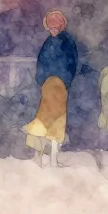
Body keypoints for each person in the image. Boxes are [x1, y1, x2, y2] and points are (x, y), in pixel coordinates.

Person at [25, 9, 78, 168]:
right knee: (48, 119)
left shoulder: (64, 42)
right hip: (50, 85)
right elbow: (42, 63)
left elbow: (71, 63)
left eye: (55, 28)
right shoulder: (51, 42)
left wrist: (63, 80)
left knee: (51, 120)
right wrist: (43, 81)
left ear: (61, 27)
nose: (52, 31)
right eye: (50, 28)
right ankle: (42, 158)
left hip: (58, 85)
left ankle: (49, 159)